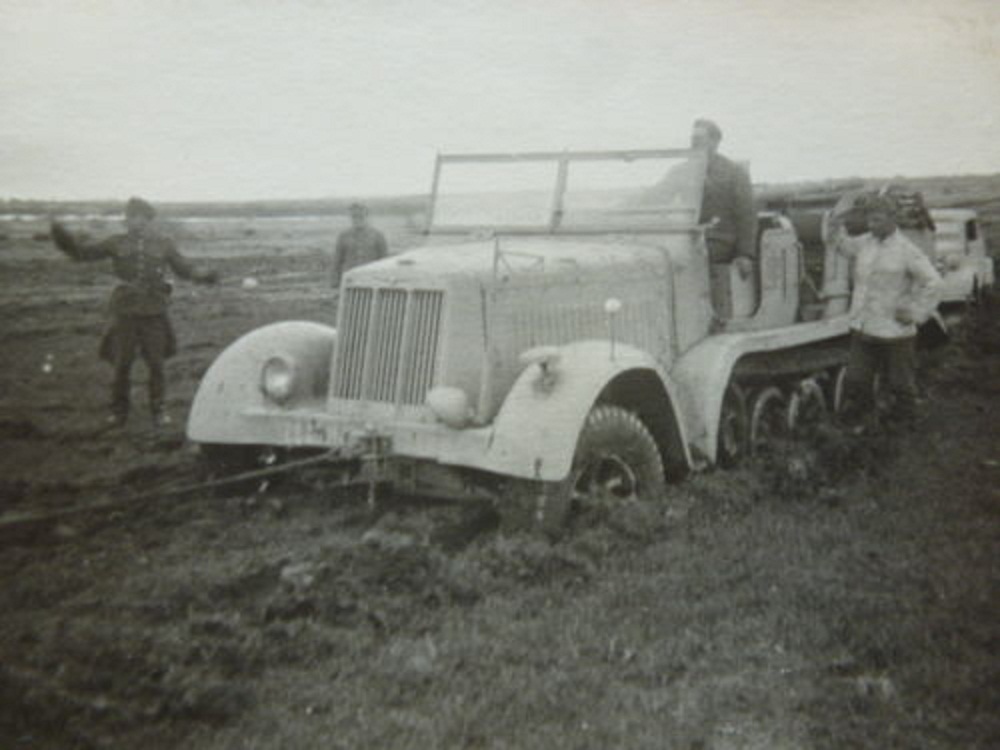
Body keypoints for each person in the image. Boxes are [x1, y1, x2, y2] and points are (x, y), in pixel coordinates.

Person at [50, 197, 219, 428]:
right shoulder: (115, 242)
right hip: (125, 311)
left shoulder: (164, 243)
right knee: (122, 364)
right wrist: (62, 239)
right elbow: (83, 254)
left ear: (149, 220)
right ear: (125, 220)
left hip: (154, 311)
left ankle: (159, 411)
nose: (134, 222)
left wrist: (204, 275)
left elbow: (184, 268)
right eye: (130, 217)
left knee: (157, 365)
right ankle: (118, 413)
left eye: (140, 218)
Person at [827, 194, 941, 433]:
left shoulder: (907, 250)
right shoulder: (866, 243)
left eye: (877, 220)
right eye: (869, 219)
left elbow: (934, 283)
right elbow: (840, 245)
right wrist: (834, 224)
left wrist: (916, 312)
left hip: (895, 332)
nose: (871, 225)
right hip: (864, 327)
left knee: (901, 385)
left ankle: (904, 437)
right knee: (857, 381)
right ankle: (865, 430)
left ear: (892, 219)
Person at [691, 118, 758, 319]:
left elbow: (747, 215)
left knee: (688, 258)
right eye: (692, 139)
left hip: (720, 239)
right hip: (691, 237)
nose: (694, 143)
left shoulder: (733, 173)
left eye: (700, 139)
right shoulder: (684, 170)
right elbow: (659, 193)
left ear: (715, 141)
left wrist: (745, 254)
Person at [330, 202, 388, 289]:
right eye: (354, 216)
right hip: (350, 280)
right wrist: (335, 281)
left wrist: (384, 281)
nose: (357, 219)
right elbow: (337, 261)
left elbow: (384, 261)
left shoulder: (377, 235)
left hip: (371, 280)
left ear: (367, 217)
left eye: (361, 216)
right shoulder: (343, 236)